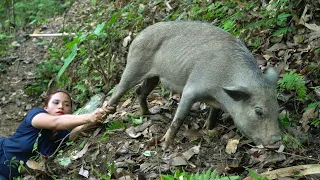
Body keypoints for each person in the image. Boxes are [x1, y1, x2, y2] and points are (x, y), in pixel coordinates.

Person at [0, 89, 111, 180]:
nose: (61, 106)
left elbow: (82, 129)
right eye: (56, 102)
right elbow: (55, 122)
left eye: (66, 104)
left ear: (71, 112)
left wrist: (104, 112)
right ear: (46, 108)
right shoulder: (36, 115)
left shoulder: (63, 134)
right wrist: (89, 117)